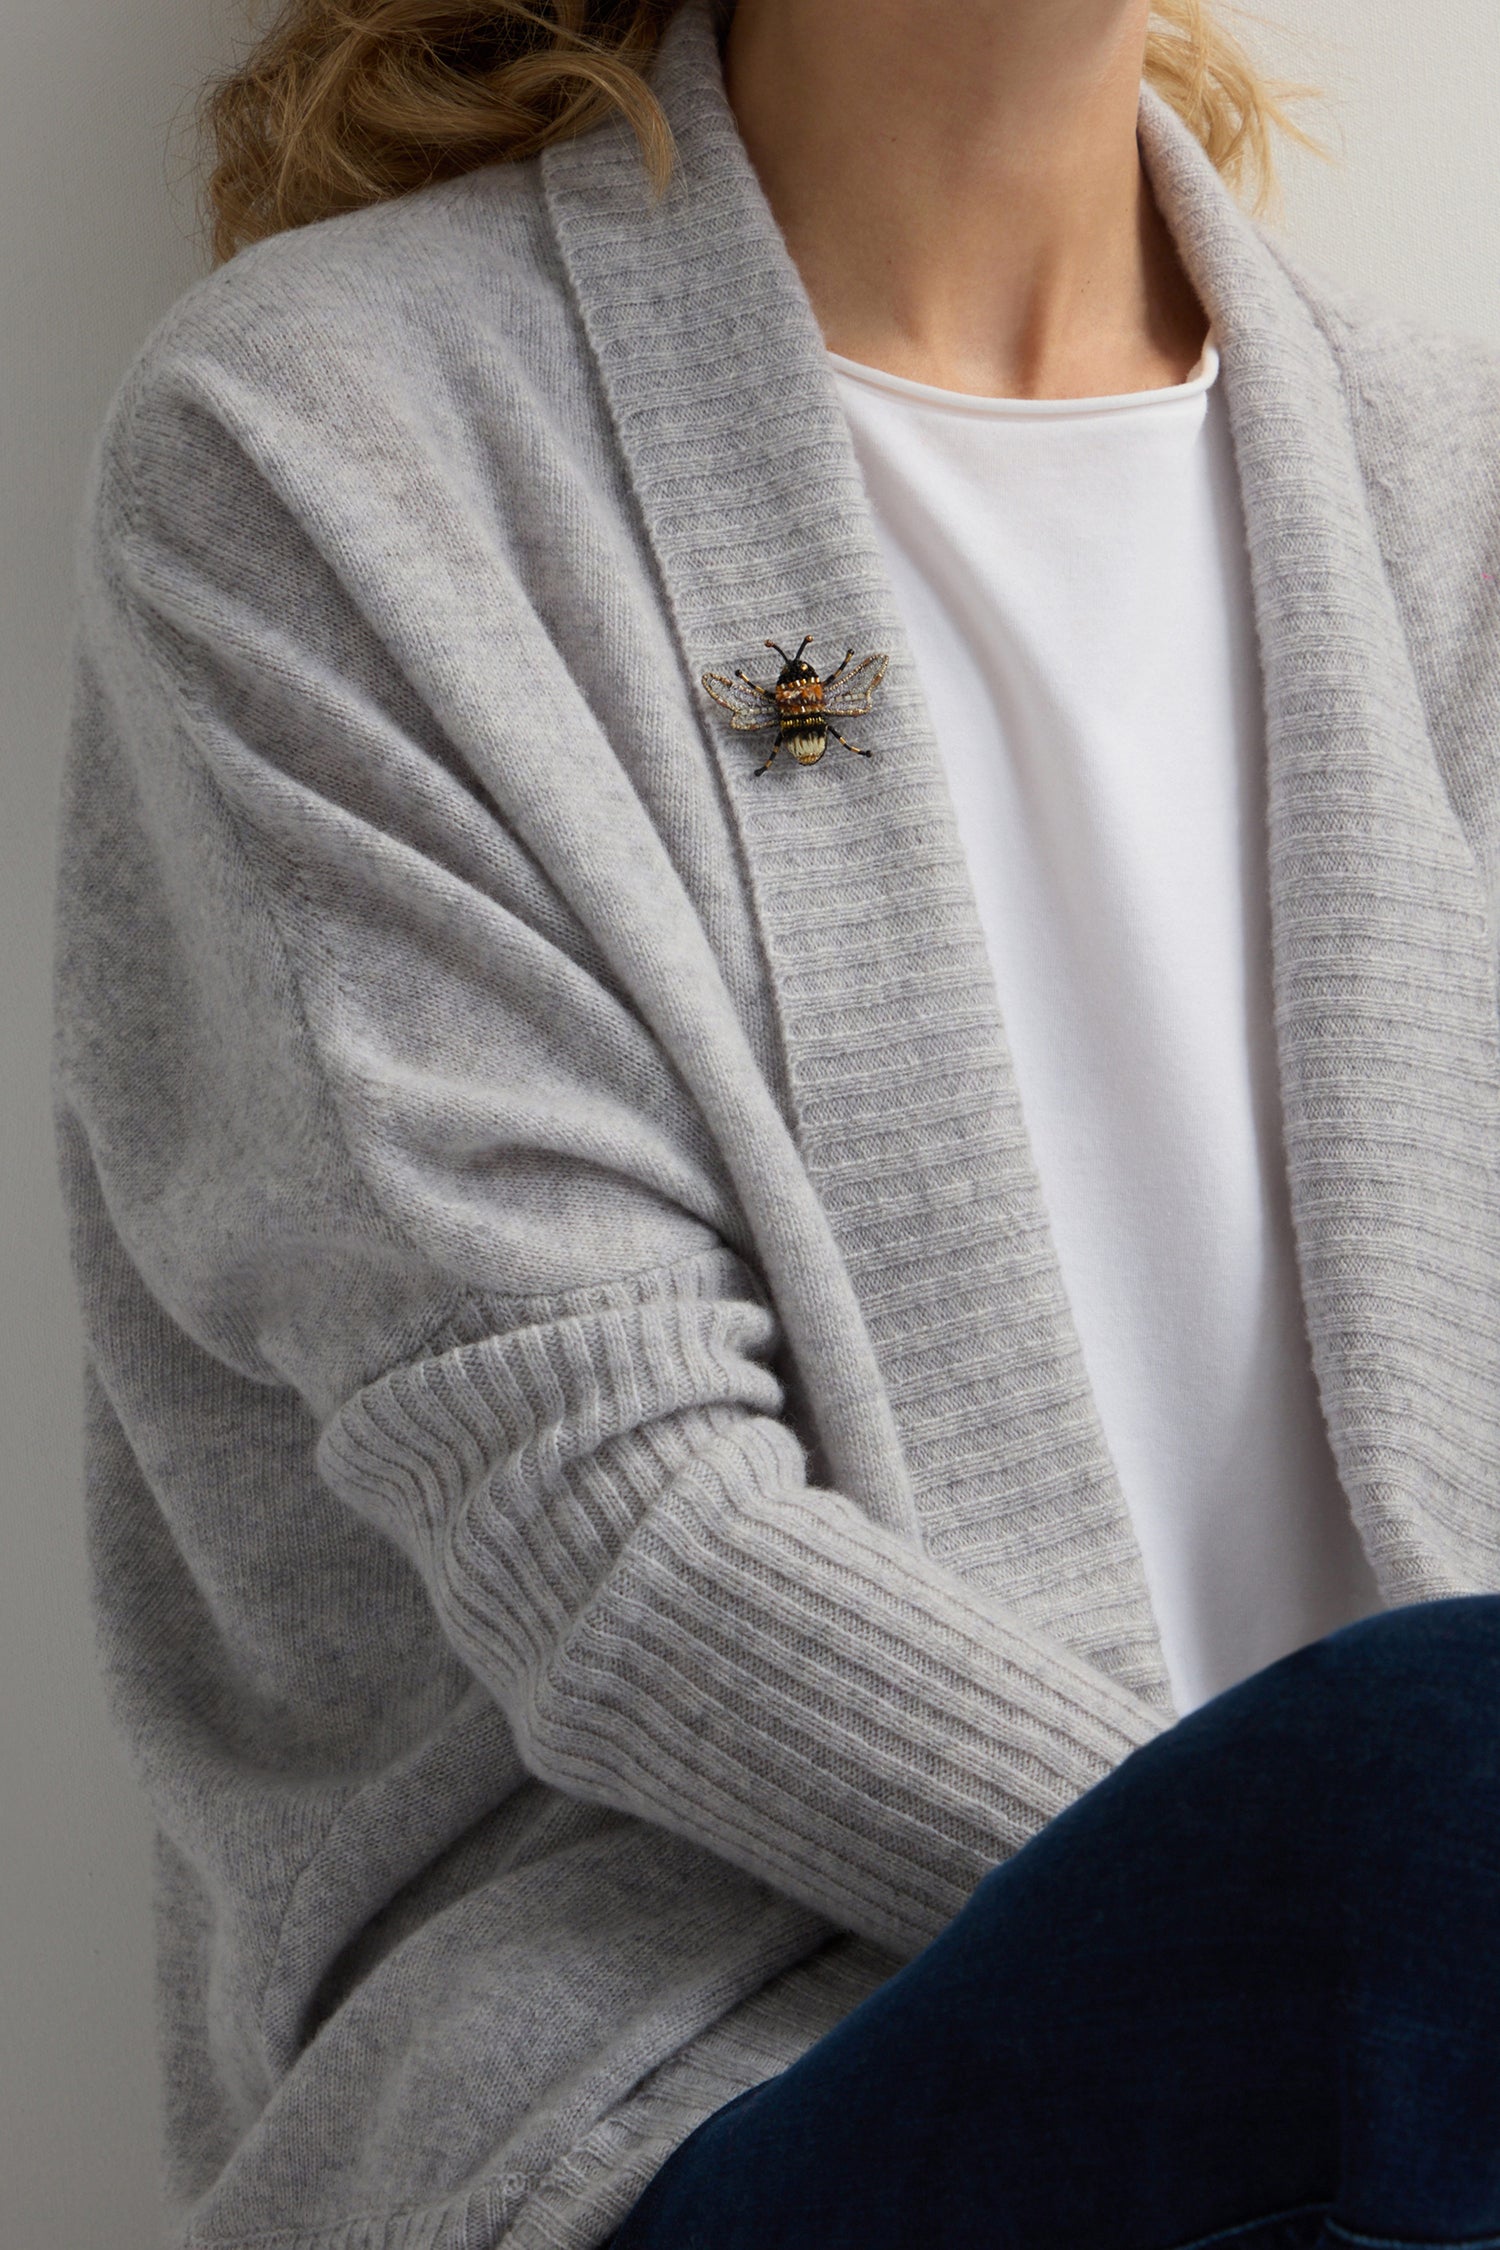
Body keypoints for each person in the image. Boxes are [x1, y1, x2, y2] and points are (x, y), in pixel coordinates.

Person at [52, 0, 1500, 2244]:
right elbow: (619, 1539)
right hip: (705, 2092)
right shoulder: (333, 446)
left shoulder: (1443, 470)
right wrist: (1328, 1923)